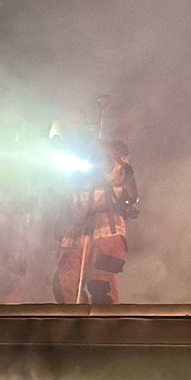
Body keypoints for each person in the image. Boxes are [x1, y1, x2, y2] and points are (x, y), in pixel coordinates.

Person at [50, 103, 138, 304]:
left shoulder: (107, 154)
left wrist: (104, 162)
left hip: (105, 233)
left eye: (63, 137)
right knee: (64, 285)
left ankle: (105, 323)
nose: (61, 142)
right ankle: (75, 322)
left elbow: (121, 179)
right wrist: (62, 222)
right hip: (76, 233)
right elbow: (67, 199)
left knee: (100, 286)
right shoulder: (69, 162)